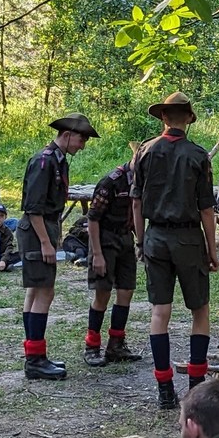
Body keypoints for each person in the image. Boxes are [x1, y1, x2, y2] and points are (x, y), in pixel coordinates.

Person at [132, 93, 219, 411]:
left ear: (164, 118)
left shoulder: (144, 152)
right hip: (188, 239)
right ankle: (196, 386)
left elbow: (137, 203)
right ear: (188, 119)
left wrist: (142, 241)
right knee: (200, 311)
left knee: (160, 313)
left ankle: (165, 388)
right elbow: (207, 210)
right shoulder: (198, 155)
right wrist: (212, 249)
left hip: (155, 236)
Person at [19, 114, 99, 380]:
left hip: (44, 229)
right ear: (66, 135)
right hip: (36, 231)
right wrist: (45, 242)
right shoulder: (44, 162)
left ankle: (35, 355)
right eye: (81, 139)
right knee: (44, 292)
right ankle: (35, 360)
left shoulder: (57, 160)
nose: (82, 145)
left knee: (36, 292)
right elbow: (32, 208)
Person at [84, 151, 140, 368]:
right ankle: (92, 346)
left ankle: (116, 345)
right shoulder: (111, 182)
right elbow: (93, 219)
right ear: (134, 160)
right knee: (102, 293)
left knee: (126, 291)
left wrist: (139, 241)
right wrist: (97, 254)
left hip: (125, 239)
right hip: (105, 240)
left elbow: (135, 211)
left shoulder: (141, 180)